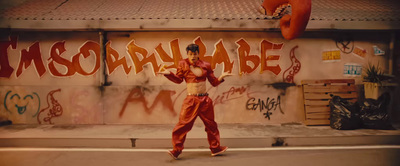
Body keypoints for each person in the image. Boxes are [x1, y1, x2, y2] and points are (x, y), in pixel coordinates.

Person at [158, 43, 232, 159]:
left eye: (195, 54)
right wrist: (169, 74)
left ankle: (215, 148)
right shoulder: (183, 64)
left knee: (211, 125)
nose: (193, 56)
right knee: (183, 125)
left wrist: (221, 77)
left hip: (205, 100)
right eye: (190, 54)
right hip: (191, 100)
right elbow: (178, 80)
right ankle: (176, 150)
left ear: (198, 54)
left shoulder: (206, 65)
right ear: (187, 54)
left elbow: (213, 82)